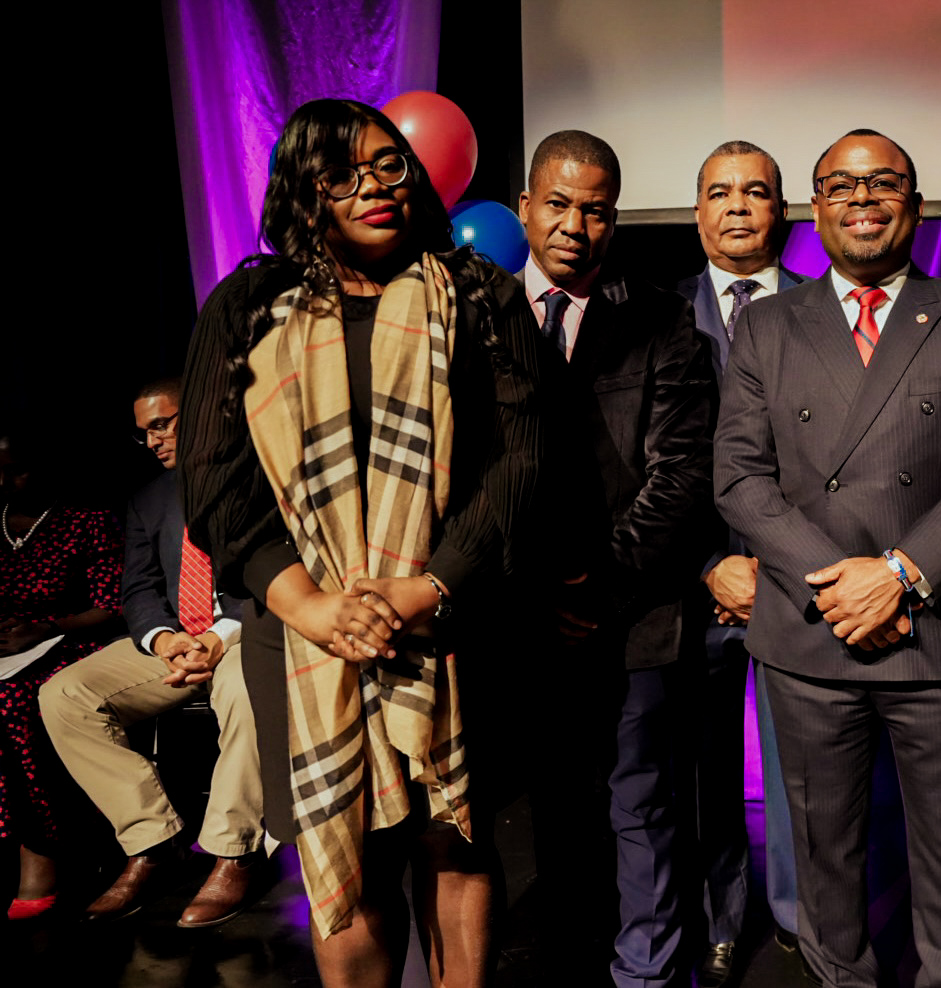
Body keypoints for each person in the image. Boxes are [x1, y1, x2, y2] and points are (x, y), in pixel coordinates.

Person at [178, 98, 550, 987]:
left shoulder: (481, 295)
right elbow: (214, 480)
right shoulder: (248, 306)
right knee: (339, 837)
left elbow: (520, 466)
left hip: (451, 619)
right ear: (305, 194)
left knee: (453, 841)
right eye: (341, 176)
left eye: (389, 166)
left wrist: (427, 588)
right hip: (301, 626)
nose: (374, 188)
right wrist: (310, 604)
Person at [714, 129, 941, 988]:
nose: (862, 198)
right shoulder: (768, 324)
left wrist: (896, 572)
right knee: (823, 864)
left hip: (936, 636)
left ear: (915, 204)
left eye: (882, 182)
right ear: (814, 209)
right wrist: (840, 583)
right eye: (840, 185)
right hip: (810, 638)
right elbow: (739, 480)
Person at [516, 129, 716, 988]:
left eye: (594, 209)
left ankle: (645, 975)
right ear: (524, 207)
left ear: (614, 220)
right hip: (514, 616)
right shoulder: (474, 315)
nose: (574, 225)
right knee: (543, 812)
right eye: (557, 204)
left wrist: (593, 585)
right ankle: (563, 961)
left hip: (632, 615)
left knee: (640, 806)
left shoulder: (662, 319)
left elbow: (679, 475)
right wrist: (536, 591)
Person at [40, 377, 268, 927]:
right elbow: (137, 589)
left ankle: (232, 851)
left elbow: (277, 575)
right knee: (65, 694)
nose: (153, 441)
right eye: (144, 433)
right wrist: (164, 640)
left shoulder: (256, 476)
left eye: (162, 424)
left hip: (246, 634)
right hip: (176, 642)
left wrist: (219, 636)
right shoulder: (147, 498)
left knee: (244, 687)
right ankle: (152, 842)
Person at [675, 139, 807, 988]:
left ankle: (802, 917)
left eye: (754, 193)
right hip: (695, 589)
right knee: (705, 775)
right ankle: (721, 920)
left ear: (781, 212)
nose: (736, 207)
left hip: (799, 586)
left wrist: (778, 566)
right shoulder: (657, 315)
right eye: (719, 193)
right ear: (696, 215)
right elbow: (644, 464)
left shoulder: (826, 311)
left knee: (806, 774)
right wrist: (706, 567)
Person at [1, 432, 123, 920]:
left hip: (69, 642)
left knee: (10, 702)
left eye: (12, 468)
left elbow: (112, 605)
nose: (4, 480)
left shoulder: (86, 522)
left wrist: (42, 629)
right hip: (7, 648)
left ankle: (41, 849)